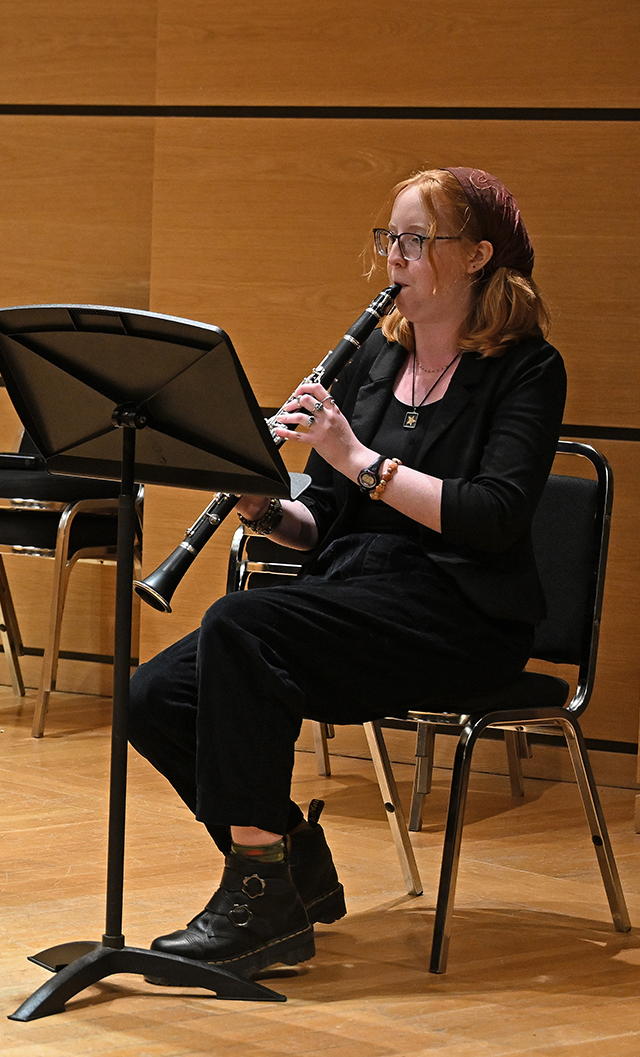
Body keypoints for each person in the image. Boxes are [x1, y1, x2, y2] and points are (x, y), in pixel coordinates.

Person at [128, 166, 561, 979]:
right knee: (152, 696)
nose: (394, 258)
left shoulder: (526, 370)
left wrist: (359, 458)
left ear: (476, 256)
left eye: (415, 240)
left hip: (460, 612)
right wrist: (262, 503)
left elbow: (494, 513)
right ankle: (289, 857)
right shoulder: (371, 367)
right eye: (388, 239)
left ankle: (258, 900)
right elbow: (321, 521)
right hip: (357, 592)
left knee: (240, 624)